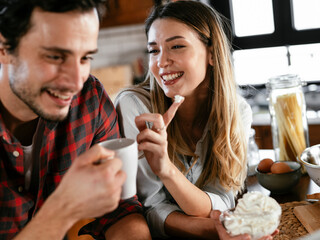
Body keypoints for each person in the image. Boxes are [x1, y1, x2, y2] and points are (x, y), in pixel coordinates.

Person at [115, 1, 278, 239]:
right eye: (153, 50)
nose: (161, 62)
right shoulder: (136, 109)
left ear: (212, 53)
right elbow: (150, 208)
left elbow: (221, 200)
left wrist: (167, 170)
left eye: (177, 46)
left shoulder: (238, 112)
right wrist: (221, 230)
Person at [0, 0, 151, 239]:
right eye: (56, 57)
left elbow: (120, 208)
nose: (75, 82)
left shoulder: (90, 99)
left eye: (85, 58)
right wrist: (63, 209)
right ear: (4, 48)